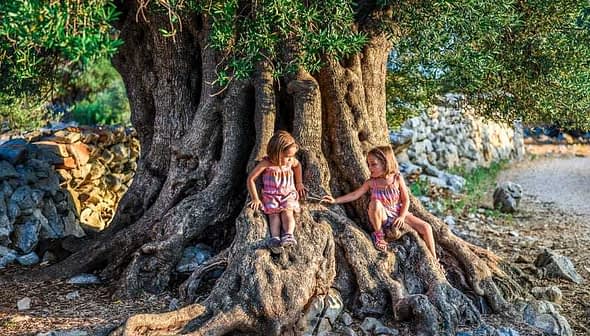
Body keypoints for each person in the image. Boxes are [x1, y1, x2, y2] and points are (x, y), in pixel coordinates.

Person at [322, 145, 437, 258]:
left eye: (373, 164)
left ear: (385, 162)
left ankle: (434, 258)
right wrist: (335, 200)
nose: (370, 168)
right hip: (383, 215)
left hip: (398, 212)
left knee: (426, 227)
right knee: (375, 203)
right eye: (368, 164)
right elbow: (355, 194)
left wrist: (401, 216)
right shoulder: (371, 183)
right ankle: (379, 235)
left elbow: (406, 200)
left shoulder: (397, 178)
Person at [247, 130, 306, 249]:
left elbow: (297, 165)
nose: (290, 159)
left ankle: (288, 235)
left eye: (291, 156)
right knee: (273, 215)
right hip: (271, 195)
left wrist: (299, 183)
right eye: (287, 156)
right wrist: (255, 198)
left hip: (288, 194)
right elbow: (251, 179)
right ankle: (275, 238)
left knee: (287, 212)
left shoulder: (290, 162)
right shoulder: (266, 163)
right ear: (276, 153)